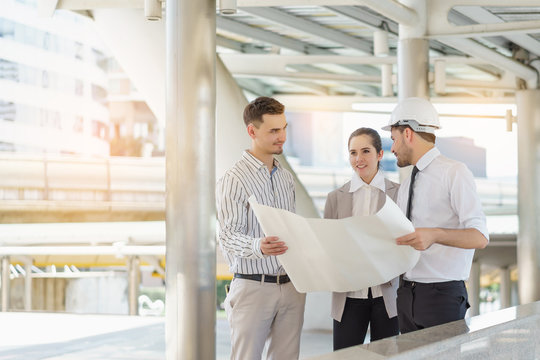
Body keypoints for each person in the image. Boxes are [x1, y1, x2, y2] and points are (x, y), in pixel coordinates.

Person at [382, 97, 489, 333]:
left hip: (442, 296)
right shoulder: (408, 182)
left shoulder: (454, 172)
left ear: (408, 133)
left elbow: (480, 236)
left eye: (393, 139)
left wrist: (435, 235)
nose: (392, 148)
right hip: (407, 294)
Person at [216, 96, 306, 360]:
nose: (282, 137)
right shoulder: (234, 179)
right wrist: (258, 246)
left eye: (284, 128)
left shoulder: (286, 179)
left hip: (292, 287)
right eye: (274, 131)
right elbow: (227, 236)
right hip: (253, 288)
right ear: (252, 131)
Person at [324, 127, 400, 350]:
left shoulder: (399, 194)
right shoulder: (335, 199)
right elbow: (328, 245)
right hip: (348, 297)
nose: (358, 159)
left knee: (387, 356)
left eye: (365, 151)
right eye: (353, 152)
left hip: (386, 295)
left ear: (379, 154)